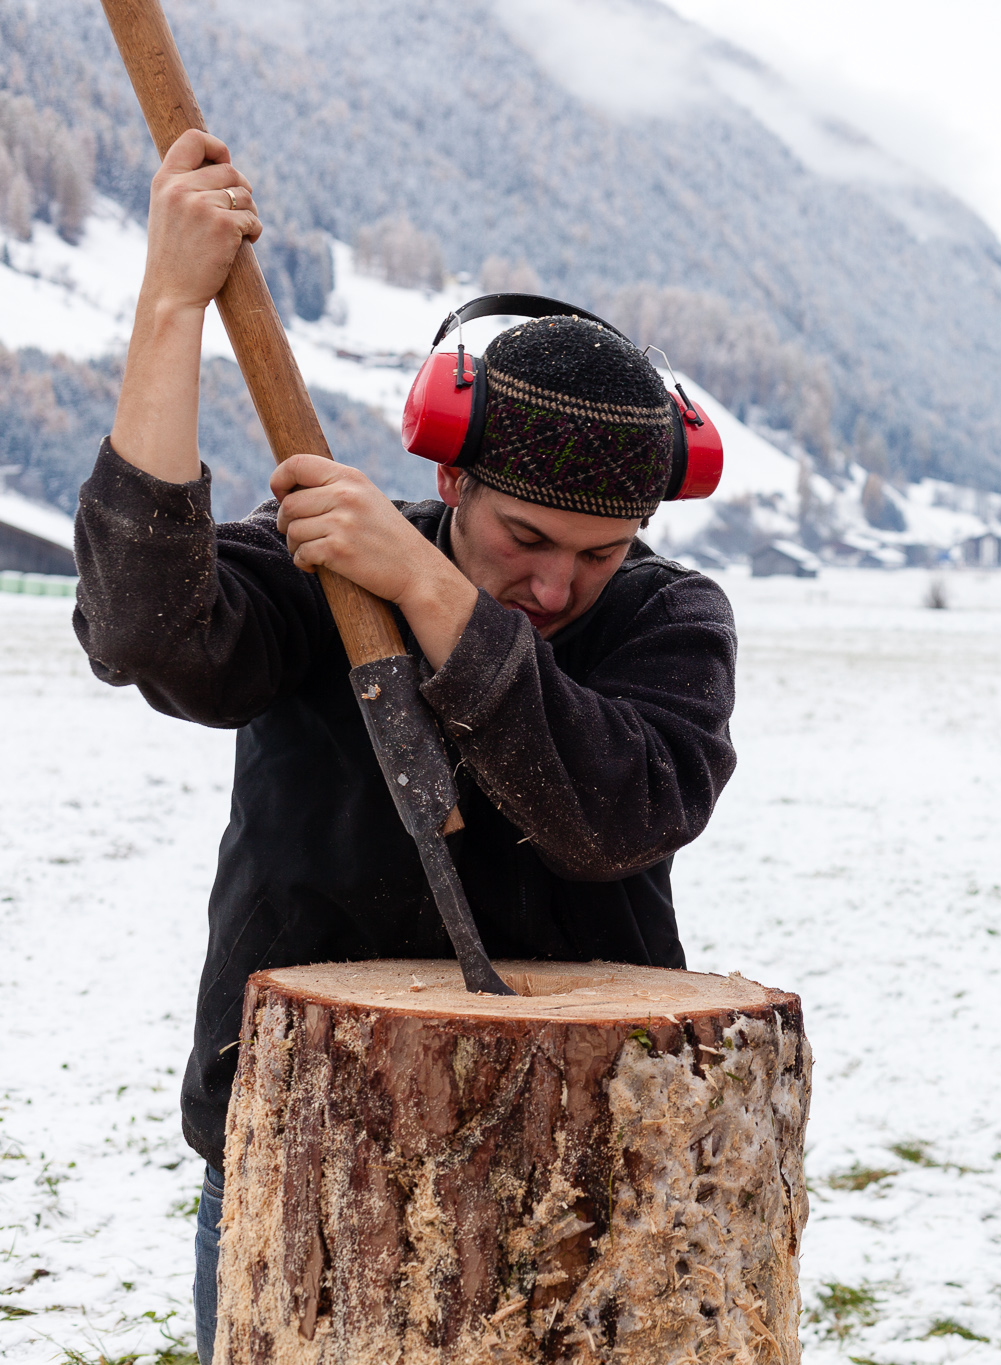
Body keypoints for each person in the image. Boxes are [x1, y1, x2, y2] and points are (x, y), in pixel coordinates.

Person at [70, 129, 738, 1360]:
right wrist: (170, 304)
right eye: (521, 538)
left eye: (599, 550)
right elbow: (143, 632)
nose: (554, 585)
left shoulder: (665, 617)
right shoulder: (326, 565)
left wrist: (437, 595)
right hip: (298, 1144)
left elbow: (613, 813)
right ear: (454, 472)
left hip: (584, 1152)